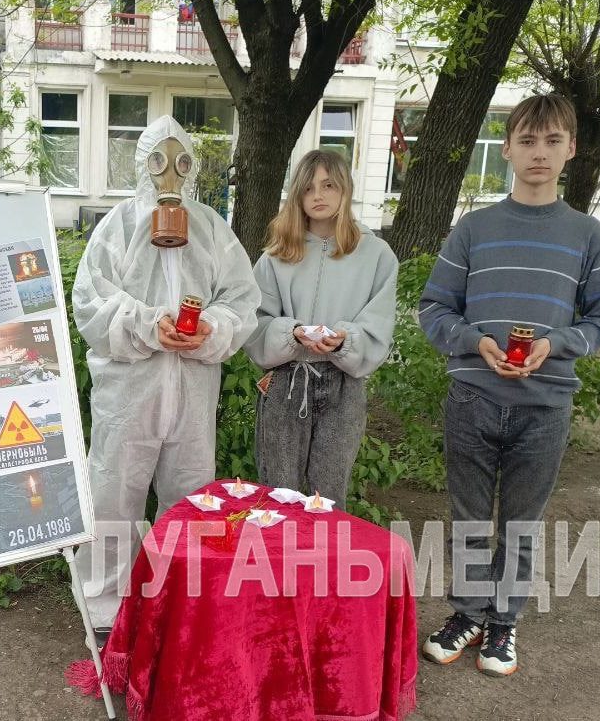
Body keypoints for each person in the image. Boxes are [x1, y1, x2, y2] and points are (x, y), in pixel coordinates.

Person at [417, 94, 600, 677]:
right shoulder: (474, 229)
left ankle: (503, 624)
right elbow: (433, 308)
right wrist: (473, 340)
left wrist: (553, 345)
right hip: (473, 398)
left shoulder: (587, 235)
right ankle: (467, 613)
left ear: (572, 151)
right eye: (528, 141)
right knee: (470, 520)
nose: (539, 153)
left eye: (553, 141)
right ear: (506, 148)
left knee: (521, 524)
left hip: (545, 404)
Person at [70, 115, 260, 643]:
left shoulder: (212, 230)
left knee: (191, 498)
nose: (169, 175)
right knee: (115, 497)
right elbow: (90, 301)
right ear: (142, 165)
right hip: (129, 395)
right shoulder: (119, 226)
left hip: (193, 395)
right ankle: (106, 611)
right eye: (159, 162)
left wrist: (211, 330)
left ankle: (183, 604)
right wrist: (147, 324)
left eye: (180, 163)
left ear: (193, 167)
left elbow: (241, 299)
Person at [243, 150, 398, 507]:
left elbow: (379, 327)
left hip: (343, 386)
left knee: (327, 497)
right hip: (286, 382)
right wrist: (290, 332)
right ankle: (279, 563)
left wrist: (347, 340)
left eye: (328, 185)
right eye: (308, 187)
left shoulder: (376, 255)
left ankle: (322, 565)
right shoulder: (276, 255)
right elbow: (254, 324)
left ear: (345, 190)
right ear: (297, 195)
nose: (318, 195)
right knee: (279, 495)